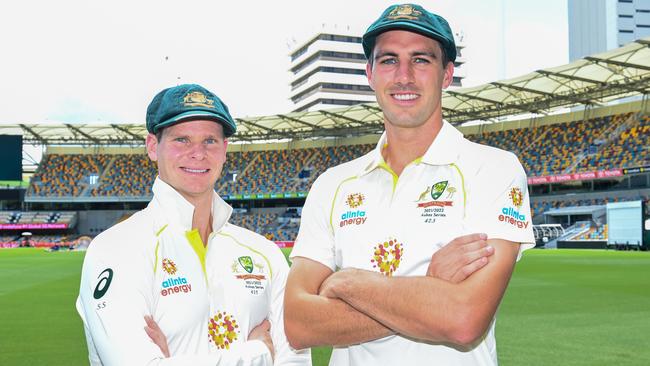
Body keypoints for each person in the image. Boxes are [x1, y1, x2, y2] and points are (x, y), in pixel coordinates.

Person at [284, 3, 535, 365]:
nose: (404, 76)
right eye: (388, 60)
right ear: (370, 73)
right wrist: (431, 289)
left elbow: (464, 321)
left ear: (446, 74)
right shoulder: (332, 184)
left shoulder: (493, 169)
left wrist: (350, 284)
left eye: (421, 60)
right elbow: (298, 324)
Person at [77, 84, 309, 365]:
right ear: (152, 146)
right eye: (181, 140)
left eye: (210, 140)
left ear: (225, 149)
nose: (198, 153)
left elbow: (294, 360)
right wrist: (258, 354)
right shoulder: (116, 249)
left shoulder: (265, 254)